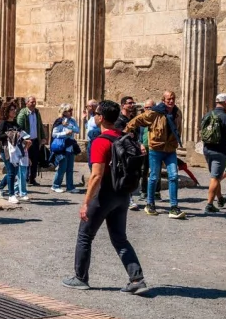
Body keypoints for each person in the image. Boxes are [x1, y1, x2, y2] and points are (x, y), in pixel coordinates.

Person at [62, 100, 147, 294]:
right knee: (120, 238)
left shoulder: (101, 141)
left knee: (85, 235)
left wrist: (86, 203)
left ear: (100, 117)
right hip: (123, 193)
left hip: (104, 194)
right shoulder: (125, 137)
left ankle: (80, 277)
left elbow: (96, 175)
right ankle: (137, 279)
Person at [124, 90, 185, 219]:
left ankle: (174, 207)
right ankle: (150, 203)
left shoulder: (177, 113)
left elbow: (178, 129)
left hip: (170, 149)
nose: (171, 101)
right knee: (153, 177)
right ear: (163, 100)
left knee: (173, 176)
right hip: (156, 149)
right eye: (168, 99)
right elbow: (139, 119)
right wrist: (126, 131)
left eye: (173, 98)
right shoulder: (155, 112)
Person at [202, 93, 226, 213]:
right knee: (215, 178)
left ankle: (220, 199)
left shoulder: (207, 115)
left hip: (207, 149)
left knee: (215, 176)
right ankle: (209, 204)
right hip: (220, 151)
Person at [50, 104, 82, 194]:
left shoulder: (72, 121)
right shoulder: (59, 121)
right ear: (64, 112)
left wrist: (69, 126)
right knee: (62, 167)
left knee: (70, 168)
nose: (71, 112)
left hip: (70, 147)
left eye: (72, 110)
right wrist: (65, 133)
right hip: (62, 147)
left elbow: (78, 130)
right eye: (69, 110)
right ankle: (55, 185)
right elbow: (54, 134)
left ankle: (70, 186)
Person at [0, 104, 26, 203]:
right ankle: (11, 195)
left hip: (15, 150)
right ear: (7, 111)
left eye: (15, 109)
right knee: (11, 172)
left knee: (14, 172)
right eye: (12, 110)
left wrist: (24, 138)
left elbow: (21, 134)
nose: (14, 111)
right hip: (6, 150)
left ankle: (0, 187)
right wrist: (10, 134)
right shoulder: (3, 123)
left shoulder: (15, 123)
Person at [16, 96, 43, 185]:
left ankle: (32, 178)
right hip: (26, 141)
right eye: (32, 102)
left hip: (35, 140)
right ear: (27, 103)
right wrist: (23, 139)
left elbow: (40, 125)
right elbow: (19, 127)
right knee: (26, 159)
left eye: (35, 102)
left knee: (35, 160)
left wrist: (43, 137)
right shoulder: (23, 114)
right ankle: (25, 178)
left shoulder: (37, 113)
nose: (34, 104)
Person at [83, 99, 100, 169]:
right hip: (90, 142)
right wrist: (84, 120)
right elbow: (88, 127)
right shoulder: (91, 117)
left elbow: (101, 129)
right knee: (90, 162)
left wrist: (91, 134)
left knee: (94, 163)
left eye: (87, 106)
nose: (86, 108)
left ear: (92, 107)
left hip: (95, 142)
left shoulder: (98, 117)